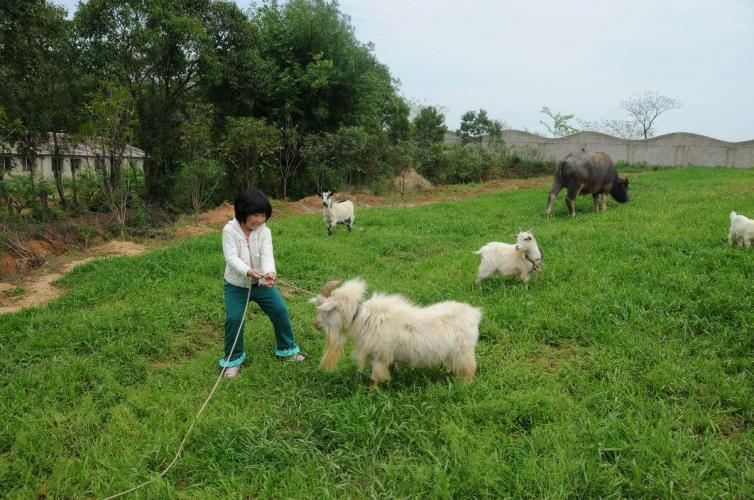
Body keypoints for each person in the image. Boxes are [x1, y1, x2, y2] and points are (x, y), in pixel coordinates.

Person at [220, 187, 305, 378]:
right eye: (255, 215)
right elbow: (231, 259)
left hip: (261, 284)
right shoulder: (229, 231)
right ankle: (233, 360)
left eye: (263, 215)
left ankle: (287, 349)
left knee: (280, 309)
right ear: (242, 212)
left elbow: (267, 255)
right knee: (234, 319)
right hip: (236, 286)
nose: (259, 220)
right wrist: (248, 271)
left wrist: (269, 273)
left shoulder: (264, 231)